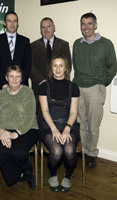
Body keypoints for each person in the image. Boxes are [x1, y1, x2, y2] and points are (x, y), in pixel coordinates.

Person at [73, 13, 117, 168]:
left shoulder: (106, 44)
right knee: (81, 122)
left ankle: (92, 153)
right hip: (79, 87)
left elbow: (112, 68)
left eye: (89, 23)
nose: (86, 27)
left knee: (93, 124)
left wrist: (101, 83)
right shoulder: (77, 44)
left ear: (95, 25)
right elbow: (76, 67)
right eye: (83, 24)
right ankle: (83, 151)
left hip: (95, 89)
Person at [0, 65, 38, 188]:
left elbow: (29, 117)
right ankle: (20, 174)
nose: (14, 79)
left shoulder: (28, 92)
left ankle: (27, 170)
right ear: (6, 78)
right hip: (5, 129)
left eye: (17, 77)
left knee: (18, 153)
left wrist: (14, 134)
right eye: (11, 76)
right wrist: (1, 131)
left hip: (27, 128)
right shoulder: (1, 94)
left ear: (22, 79)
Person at [38, 55, 80, 192]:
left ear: (66, 69)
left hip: (68, 124)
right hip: (49, 126)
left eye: (61, 65)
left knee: (69, 151)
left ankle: (68, 176)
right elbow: (44, 111)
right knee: (56, 151)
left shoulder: (73, 87)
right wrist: (54, 130)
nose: (58, 68)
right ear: (51, 68)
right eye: (55, 65)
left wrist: (67, 129)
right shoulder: (44, 86)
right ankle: (52, 174)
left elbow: (74, 112)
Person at [30, 17, 71, 97]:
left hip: (59, 86)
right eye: (43, 27)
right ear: (40, 29)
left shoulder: (63, 45)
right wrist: (42, 81)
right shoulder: (32, 46)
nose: (46, 29)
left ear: (54, 28)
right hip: (39, 87)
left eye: (48, 26)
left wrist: (56, 81)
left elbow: (68, 65)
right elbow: (31, 66)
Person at [0, 11, 31, 95]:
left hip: (21, 87)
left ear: (17, 23)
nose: (12, 24)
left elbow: (28, 64)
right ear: (4, 23)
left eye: (15, 21)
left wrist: (19, 83)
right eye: (9, 21)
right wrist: (4, 84)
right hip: (1, 87)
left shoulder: (25, 41)